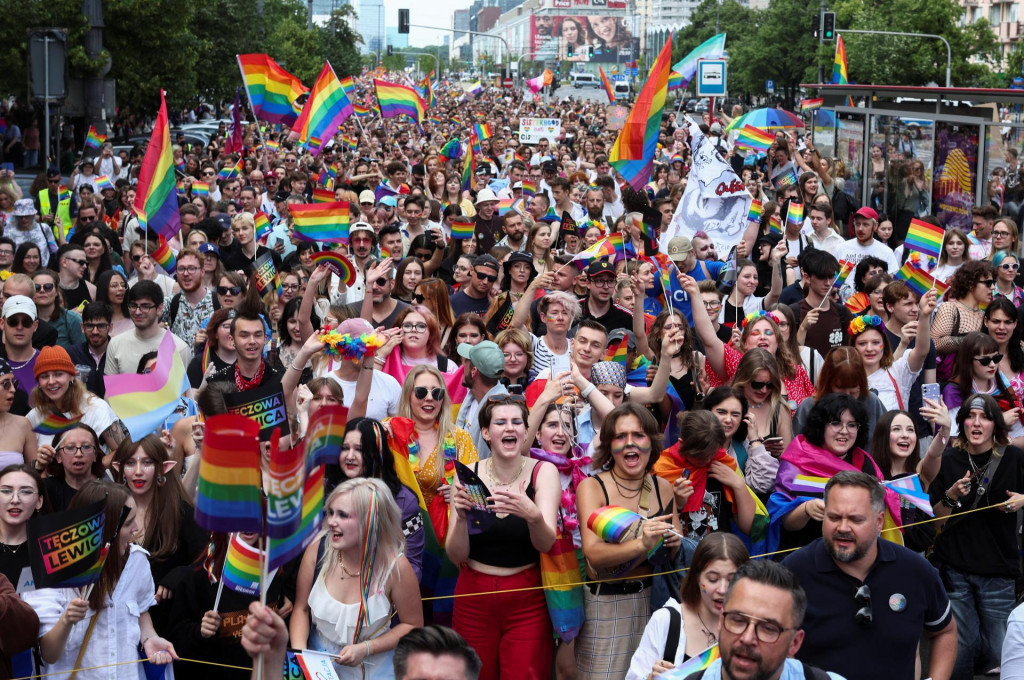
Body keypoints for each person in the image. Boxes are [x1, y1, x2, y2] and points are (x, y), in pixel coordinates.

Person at [783, 471, 957, 680]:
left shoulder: (916, 571)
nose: (843, 528)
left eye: (856, 519)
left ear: (879, 521)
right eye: (834, 517)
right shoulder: (793, 573)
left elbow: (945, 631)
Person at [447, 396, 560, 680]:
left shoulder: (543, 472)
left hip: (527, 599)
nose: (509, 428)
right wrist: (460, 518)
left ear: (524, 431)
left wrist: (532, 515)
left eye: (516, 422)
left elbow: (546, 544)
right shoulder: (467, 476)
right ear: (486, 433)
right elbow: (455, 555)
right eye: (500, 422)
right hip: (474, 596)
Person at [24, 480, 179, 677]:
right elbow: (49, 654)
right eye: (128, 523)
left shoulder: (138, 560)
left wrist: (150, 637)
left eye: (135, 518)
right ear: (104, 531)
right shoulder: (47, 572)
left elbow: (141, 610)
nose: (137, 528)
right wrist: (67, 620)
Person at [576, 403, 682, 679]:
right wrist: (642, 543)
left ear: (651, 442)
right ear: (609, 446)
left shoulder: (663, 488)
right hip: (607, 605)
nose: (629, 443)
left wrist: (673, 545)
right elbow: (593, 553)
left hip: (655, 603)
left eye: (638, 435)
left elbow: (674, 556)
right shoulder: (592, 487)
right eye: (620, 436)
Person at [929, 393, 1024, 679]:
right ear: (962, 423)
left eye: (984, 417)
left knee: (1000, 652)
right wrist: (951, 495)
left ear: (996, 424)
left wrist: (1023, 499)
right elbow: (935, 519)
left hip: (998, 571)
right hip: (955, 568)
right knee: (960, 650)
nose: (977, 423)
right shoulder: (949, 458)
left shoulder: (1014, 457)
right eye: (970, 416)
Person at [290, 478, 424, 677]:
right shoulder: (317, 549)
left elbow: (413, 626)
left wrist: (366, 648)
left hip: (374, 670)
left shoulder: (396, 567)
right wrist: (302, 659)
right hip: (318, 669)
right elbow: (300, 609)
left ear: (369, 520)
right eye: (331, 513)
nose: (331, 522)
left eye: (342, 515)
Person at [769, 394, 902, 553]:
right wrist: (806, 508)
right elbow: (785, 522)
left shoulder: (864, 461)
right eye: (836, 423)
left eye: (852, 425)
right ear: (820, 426)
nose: (844, 431)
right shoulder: (797, 461)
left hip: (855, 554)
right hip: (806, 554)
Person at [109, 434, 207, 627]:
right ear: (119, 469)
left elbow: (207, 559)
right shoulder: (111, 513)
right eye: (130, 463)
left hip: (170, 625)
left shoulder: (181, 512)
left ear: (163, 468)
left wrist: (180, 574)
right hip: (119, 625)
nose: (138, 471)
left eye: (146, 463)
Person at [627, 533, 750, 680]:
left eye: (732, 579)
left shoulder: (752, 628)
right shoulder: (666, 620)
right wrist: (650, 678)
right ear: (697, 577)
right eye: (713, 579)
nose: (722, 589)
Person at [386, 365, 478, 507]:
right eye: (421, 392)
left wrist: (458, 493)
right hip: (400, 524)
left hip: (447, 526)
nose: (429, 398)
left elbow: (476, 493)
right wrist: (377, 432)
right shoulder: (390, 431)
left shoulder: (459, 438)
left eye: (436, 393)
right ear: (407, 395)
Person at [28, 345, 123, 462]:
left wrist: (98, 467)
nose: (51, 381)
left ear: (72, 375)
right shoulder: (33, 416)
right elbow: (29, 464)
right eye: (44, 376)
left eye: (58, 374)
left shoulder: (96, 407)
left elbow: (124, 450)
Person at [104, 280, 192, 376]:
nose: (137, 312)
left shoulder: (179, 348)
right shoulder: (116, 344)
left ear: (159, 309)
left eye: (145, 306)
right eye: (133, 306)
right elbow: (111, 390)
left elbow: (186, 390)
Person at [932, 261, 995, 380]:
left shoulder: (986, 314)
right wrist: (976, 339)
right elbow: (936, 343)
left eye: (993, 283)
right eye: (988, 283)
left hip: (981, 384)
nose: (993, 287)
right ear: (971, 284)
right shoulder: (950, 307)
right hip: (953, 385)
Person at [453, 341, 508, 459]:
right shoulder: (471, 398)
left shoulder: (502, 410)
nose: (462, 365)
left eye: (466, 361)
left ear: (474, 371)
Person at [0, 463, 47, 590]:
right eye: (6, 491)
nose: (15, 500)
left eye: (25, 491)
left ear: (39, 501)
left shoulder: (50, 549)